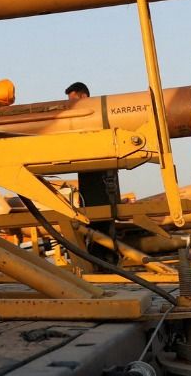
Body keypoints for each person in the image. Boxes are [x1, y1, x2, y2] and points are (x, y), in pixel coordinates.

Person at [63, 81, 117, 261]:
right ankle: (101, 261)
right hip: (92, 186)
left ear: (84, 97)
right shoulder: (86, 123)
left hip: (100, 187)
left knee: (102, 229)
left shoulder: (96, 120)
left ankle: (105, 262)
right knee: (95, 229)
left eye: (73, 100)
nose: (71, 105)